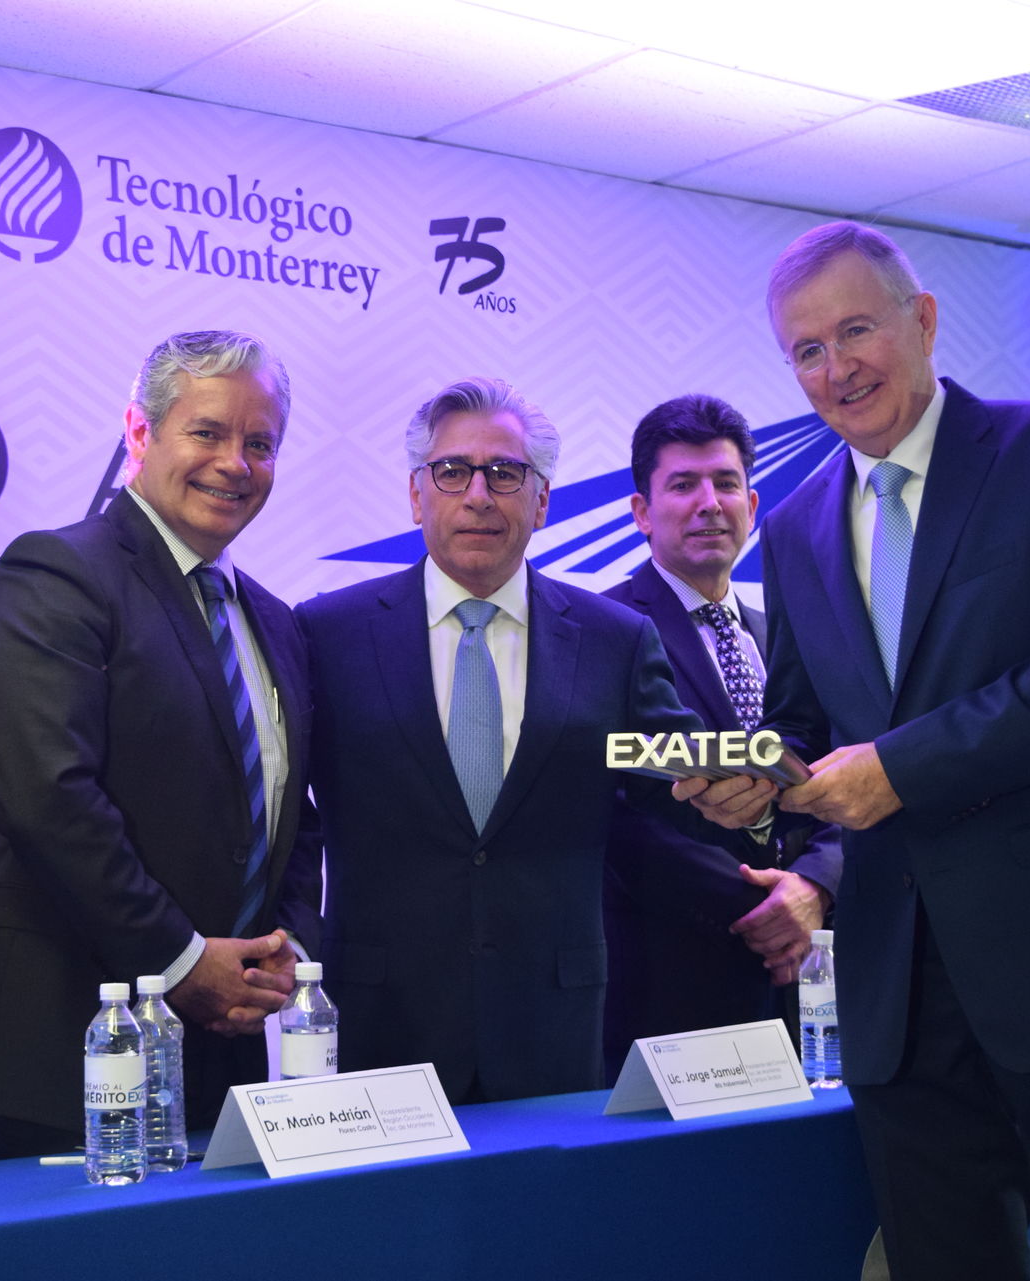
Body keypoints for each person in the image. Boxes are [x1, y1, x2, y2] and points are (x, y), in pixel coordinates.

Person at [684, 222, 1030, 1281]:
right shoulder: (789, 529)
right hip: (899, 996)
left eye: (857, 330)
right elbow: (806, 726)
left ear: (922, 322)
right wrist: (760, 784)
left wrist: (903, 769)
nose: (837, 369)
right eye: (807, 351)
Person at [297, 377, 809, 1104]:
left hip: (555, 1021)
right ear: (417, 494)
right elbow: (288, 809)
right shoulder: (326, 633)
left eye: (506, 474)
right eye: (453, 471)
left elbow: (669, 777)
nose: (479, 494)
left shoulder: (612, 638)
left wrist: (750, 798)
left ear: (541, 499)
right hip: (381, 1017)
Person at [0, 330, 320, 1158]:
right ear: (139, 435)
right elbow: (52, 799)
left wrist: (281, 958)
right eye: (207, 432)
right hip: (67, 1053)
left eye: (261, 443)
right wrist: (181, 961)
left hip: (226, 1056)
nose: (235, 463)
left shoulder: (276, 622)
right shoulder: (57, 574)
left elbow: (291, 816)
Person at [601, 394, 838, 1072]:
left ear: (753, 506)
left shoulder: (790, 631)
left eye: (726, 483)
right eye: (683, 484)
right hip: (670, 984)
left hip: (814, 979)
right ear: (642, 512)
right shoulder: (598, 632)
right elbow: (612, 808)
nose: (709, 502)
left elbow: (838, 766)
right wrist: (765, 907)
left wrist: (814, 887)